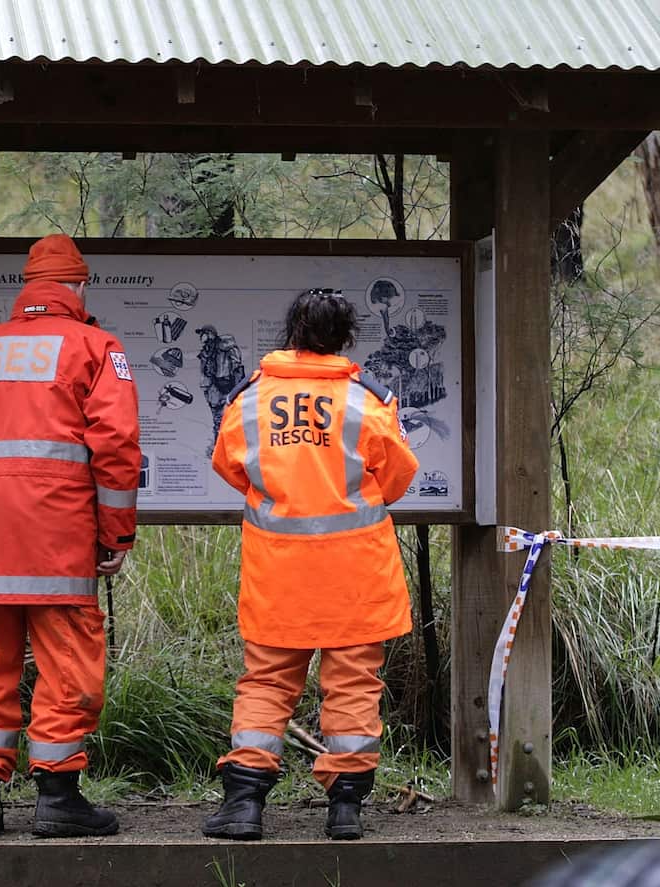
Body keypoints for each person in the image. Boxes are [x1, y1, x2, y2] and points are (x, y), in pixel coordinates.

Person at [0, 233, 141, 838]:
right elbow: (117, 447)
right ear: (79, 286)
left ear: (28, 288)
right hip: (57, 538)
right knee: (67, 662)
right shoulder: (97, 347)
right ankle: (57, 799)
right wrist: (115, 538)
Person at [203, 288, 418, 841]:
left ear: (292, 332)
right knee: (353, 686)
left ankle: (244, 804)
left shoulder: (251, 398)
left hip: (278, 575)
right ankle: (345, 809)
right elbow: (396, 478)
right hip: (357, 575)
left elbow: (229, 465)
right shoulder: (367, 401)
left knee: (266, 682)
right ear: (345, 337)